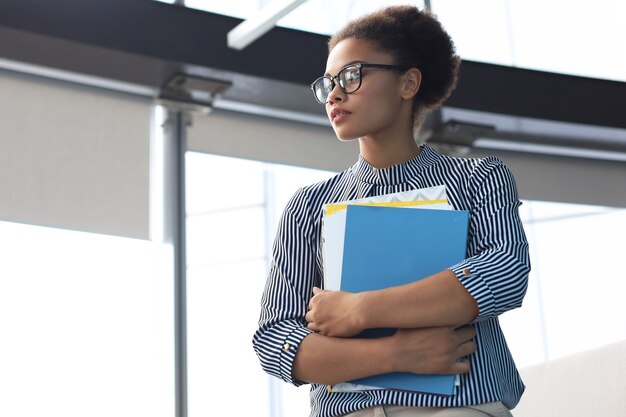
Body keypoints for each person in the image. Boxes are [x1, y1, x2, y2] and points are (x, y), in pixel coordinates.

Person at [252, 5, 530, 417]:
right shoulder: (307, 207)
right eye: (328, 83)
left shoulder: (477, 178)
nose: (334, 94)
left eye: (352, 75)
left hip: (459, 408)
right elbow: (276, 342)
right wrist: (396, 352)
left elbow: (504, 273)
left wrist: (358, 310)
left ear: (408, 83)